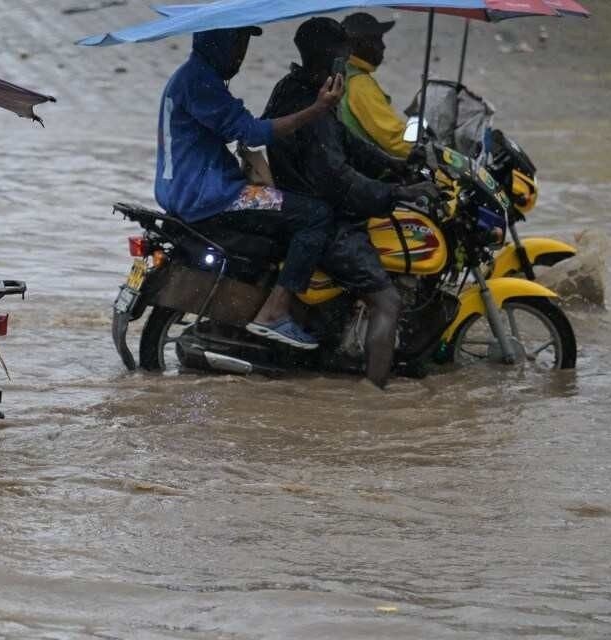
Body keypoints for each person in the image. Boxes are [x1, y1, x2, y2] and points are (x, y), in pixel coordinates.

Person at [261, 17, 439, 388]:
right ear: (333, 57)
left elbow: (348, 145)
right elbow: (337, 178)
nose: (346, 62)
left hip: (301, 200)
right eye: (343, 56)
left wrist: (399, 167)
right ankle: (373, 393)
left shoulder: (296, 88)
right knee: (387, 301)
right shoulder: (311, 101)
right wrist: (394, 194)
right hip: (326, 218)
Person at [156, 27, 345, 350]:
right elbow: (251, 133)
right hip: (211, 198)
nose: (241, 54)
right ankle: (274, 311)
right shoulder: (201, 82)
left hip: (180, 192)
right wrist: (317, 109)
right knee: (315, 214)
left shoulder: (189, 76)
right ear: (220, 43)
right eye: (239, 43)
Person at [339, 12, 412, 158]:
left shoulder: (340, 72)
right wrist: (431, 154)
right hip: (367, 172)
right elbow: (394, 139)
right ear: (358, 44)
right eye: (377, 40)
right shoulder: (360, 84)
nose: (383, 46)